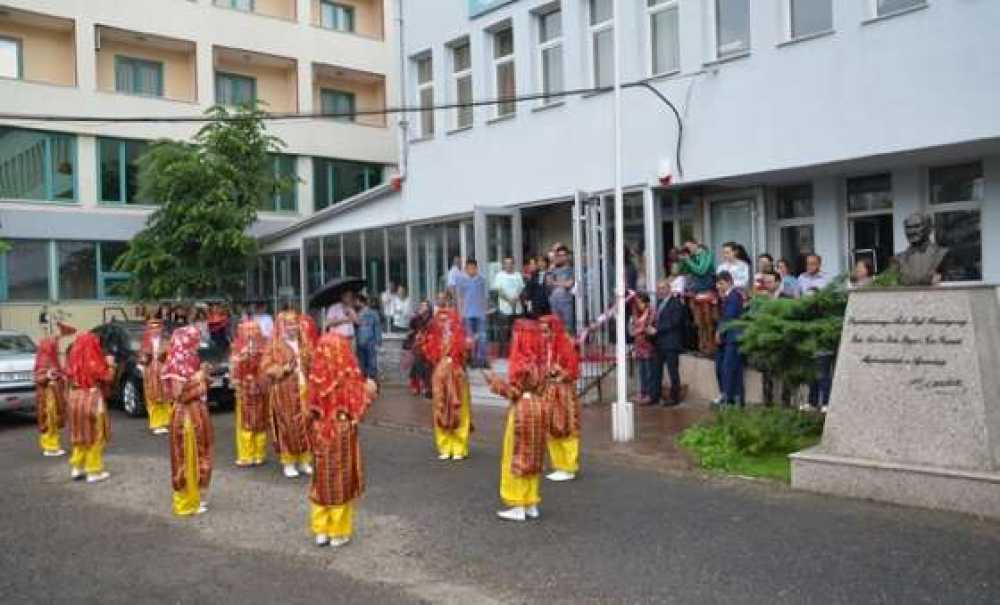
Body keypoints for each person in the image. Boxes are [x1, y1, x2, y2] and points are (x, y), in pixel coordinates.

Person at [306, 332, 378, 547]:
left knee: (321, 479)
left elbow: (308, 409)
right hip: (342, 430)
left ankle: (321, 530)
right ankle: (338, 530)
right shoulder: (348, 379)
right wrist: (370, 391)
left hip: (320, 431)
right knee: (341, 478)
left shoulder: (315, 379)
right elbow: (359, 407)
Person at [486, 319, 549, 522]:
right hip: (538, 407)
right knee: (533, 455)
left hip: (522, 409)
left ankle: (517, 504)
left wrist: (495, 383)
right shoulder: (541, 360)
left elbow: (513, 391)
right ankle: (531, 502)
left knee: (517, 455)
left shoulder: (521, 361)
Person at [162, 326, 214, 517]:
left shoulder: (191, 359)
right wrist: (199, 380)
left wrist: (204, 377)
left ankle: (195, 499)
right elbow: (179, 395)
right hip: (185, 416)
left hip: (196, 413)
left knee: (198, 455)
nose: (197, 343)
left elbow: (196, 385)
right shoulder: (176, 363)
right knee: (185, 458)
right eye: (194, 340)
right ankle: (185, 503)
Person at [262, 311, 314, 479]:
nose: (293, 328)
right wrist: (282, 369)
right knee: (288, 426)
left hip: (304, 389)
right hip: (284, 391)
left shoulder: (303, 343)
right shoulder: (274, 346)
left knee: (306, 424)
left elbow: (312, 363)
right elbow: (265, 368)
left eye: (295, 325)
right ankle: (289, 461)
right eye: (289, 325)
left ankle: (305, 460)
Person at [423, 307, 472, 461]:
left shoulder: (460, 336)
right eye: (441, 320)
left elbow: (465, 356)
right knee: (440, 409)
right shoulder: (434, 337)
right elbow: (428, 354)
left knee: (459, 410)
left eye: (447, 320)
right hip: (440, 377)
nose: (444, 323)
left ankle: (459, 446)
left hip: (457, 377)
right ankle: (444, 446)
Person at [66, 332, 114, 483]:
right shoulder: (93, 357)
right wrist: (111, 364)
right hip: (91, 398)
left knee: (79, 434)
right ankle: (93, 471)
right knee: (94, 434)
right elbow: (107, 377)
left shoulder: (72, 358)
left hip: (74, 398)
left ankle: (77, 468)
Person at [540, 314, 581, 482]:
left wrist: (559, 375)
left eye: (546, 331)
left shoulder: (565, 345)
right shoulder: (547, 346)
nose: (543, 335)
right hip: (549, 391)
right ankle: (558, 465)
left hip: (563, 392)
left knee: (565, 427)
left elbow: (572, 370)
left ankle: (569, 466)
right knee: (551, 428)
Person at [230, 319, 269, 467]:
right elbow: (234, 368)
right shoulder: (238, 347)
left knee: (259, 422)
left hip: (258, 390)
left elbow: (266, 367)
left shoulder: (263, 347)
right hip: (246, 390)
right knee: (246, 423)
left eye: (254, 330)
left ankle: (258, 454)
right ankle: (248, 454)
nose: (251, 334)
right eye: (248, 330)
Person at [34, 323, 74, 457]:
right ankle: (50, 447)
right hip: (48, 395)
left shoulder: (50, 357)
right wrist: (48, 375)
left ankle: (53, 445)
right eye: (54, 345)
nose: (57, 347)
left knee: (54, 420)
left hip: (53, 393)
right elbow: (39, 376)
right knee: (49, 420)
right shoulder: (45, 358)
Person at [653, 278, 690, 407]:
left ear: (669, 289)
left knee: (673, 370)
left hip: (671, 342)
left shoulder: (676, 303)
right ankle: (655, 395)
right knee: (656, 370)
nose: (660, 291)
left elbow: (674, 322)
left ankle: (675, 397)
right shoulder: (659, 303)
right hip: (659, 342)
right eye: (659, 289)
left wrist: (657, 330)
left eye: (663, 288)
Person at [679, 241, 717, 355]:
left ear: (696, 246)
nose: (688, 249)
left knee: (708, 322)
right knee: (698, 323)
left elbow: (701, 270)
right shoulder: (691, 258)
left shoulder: (707, 254)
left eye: (690, 247)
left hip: (707, 293)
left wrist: (688, 260)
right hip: (695, 294)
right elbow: (683, 272)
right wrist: (684, 260)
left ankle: (711, 348)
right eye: (686, 247)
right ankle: (702, 347)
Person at [714, 271, 745, 407]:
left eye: (721, 283)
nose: (718, 286)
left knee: (730, 367)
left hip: (733, 336)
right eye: (717, 283)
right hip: (726, 339)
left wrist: (719, 331)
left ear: (729, 282)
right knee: (721, 367)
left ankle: (730, 397)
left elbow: (729, 316)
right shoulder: (725, 297)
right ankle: (727, 395)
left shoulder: (734, 296)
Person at [139, 318, 171, 435]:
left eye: (157, 327)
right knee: (153, 397)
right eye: (153, 328)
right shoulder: (145, 342)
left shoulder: (166, 341)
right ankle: (156, 424)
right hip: (151, 373)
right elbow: (142, 358)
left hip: (163, 372)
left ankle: (166, 421)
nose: (155, 330)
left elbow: (170, 354)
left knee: (165, 397)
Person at [455, 259, 489, 368]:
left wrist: (485, 310)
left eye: (473, 268)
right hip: (467, 314)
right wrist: (461, 313)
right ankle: (472, 359)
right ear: (466, 269)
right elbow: (460, 297)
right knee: (469, 338)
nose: (471, 270)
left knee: (482, 337)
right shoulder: (461, 281)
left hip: (480, 313)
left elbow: (485, 297)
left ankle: (481, 359)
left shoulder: (481, 280)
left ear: (476, 268)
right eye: (469, 268)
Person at [492, 257, 525, 357]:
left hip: (517, 309)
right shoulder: (499, 276)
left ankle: (516, 354)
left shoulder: (518, 275)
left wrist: (516, 298)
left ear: (513, 264)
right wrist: (509, 300)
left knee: (517, 333)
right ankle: (503, 355)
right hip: (504, 309)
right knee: (504, 333)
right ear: (503, 265)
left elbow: (521, 289)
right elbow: (499, 291)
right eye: (506, 263)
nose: (509, 265)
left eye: (510, 263)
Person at [630, 293, 657, 405]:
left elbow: (648, 327)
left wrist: (641, 329)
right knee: (641, 372)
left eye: (640, 302)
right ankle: (642, 392)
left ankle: (650, 395)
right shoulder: (635, 313)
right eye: (637, 302)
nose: (638, 304)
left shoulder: (651, 312)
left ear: (646, 302)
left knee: (649, 371)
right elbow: (632, 329)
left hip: (648, 345)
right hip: (639, 346)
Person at [404, 300, 433, 397]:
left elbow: (433, 333)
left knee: (426, 366)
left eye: (424, 306)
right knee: (417, 363)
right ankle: (418, 386)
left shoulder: (431, 320)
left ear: (428, 309)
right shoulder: (417, 319)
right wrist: (413, 335)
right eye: (421, 305)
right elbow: (411, 329)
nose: (421, 307)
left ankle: (425, 386)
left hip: (429, 346)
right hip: (418, 346)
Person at [547, 246, 575, 333]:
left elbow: (569, 284)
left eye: (563, 255)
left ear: (567, 256)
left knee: (568, 327)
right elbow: (548, 282)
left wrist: (555, 282)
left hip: (566, 301)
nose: (561, 257)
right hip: (554, 301)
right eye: (559, 255)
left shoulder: (572, 269)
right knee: (556, 327)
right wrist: (550, 269)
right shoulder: (555, 269)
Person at [355, 295, 383, 381]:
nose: (356, 303)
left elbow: (377, 328)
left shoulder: (358, 314)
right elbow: (377, 328)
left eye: (357, 301)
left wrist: (378, 341)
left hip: (362, 342)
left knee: (363, 363)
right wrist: (378, 341)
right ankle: (371, 382)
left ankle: (365, 382)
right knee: (370, 362)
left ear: (361, 302)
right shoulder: (373, 313)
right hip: (368, 341)